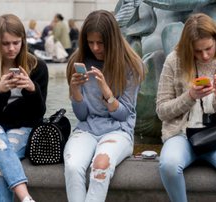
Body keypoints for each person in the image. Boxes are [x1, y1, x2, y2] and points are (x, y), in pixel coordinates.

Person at [156, 13, 216, 202]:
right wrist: (190, 96)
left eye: (208, 48)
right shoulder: (173, 61)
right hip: (180, 135)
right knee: (168, 165)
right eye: (197, 51)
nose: (205, 55)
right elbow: (162, 111)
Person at [64, 10, 145, 202]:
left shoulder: (132, 65)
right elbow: (82, 116)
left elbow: (124, 115)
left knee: (101, 165)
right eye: (90, 42)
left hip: (119, 131)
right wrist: (75, 92)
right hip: (87, 129)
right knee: (73, 166)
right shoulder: (78, 61)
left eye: (100, 43)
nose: (95, 48)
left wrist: (107, 92)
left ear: (112, 40)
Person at [0, 14, 48, 202]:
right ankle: (26, 197)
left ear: (23, 40)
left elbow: (38, 114)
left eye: (16, 42)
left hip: (22, 130)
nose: (12, 48)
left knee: (0, 162)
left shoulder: (37, 67)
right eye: (5, 44)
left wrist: (31, 90)